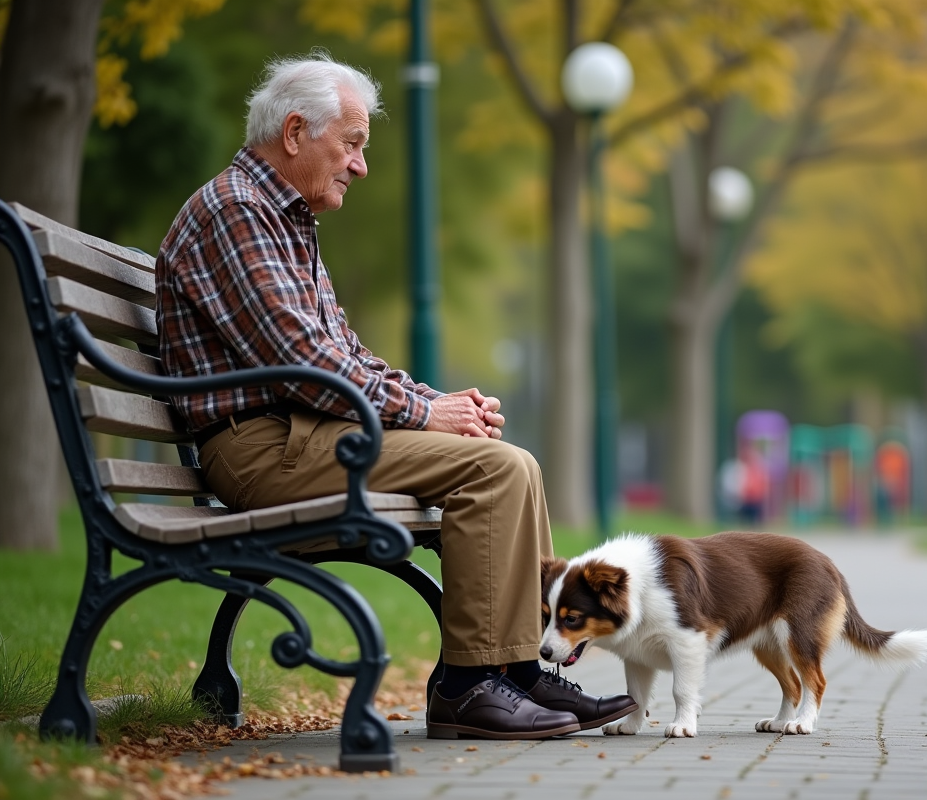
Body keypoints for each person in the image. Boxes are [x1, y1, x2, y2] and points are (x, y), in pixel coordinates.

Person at [155, 50, 634, 740]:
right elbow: (301, 361)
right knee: (492, 470)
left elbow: (344, 354)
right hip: (262, 449)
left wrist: (440, 405)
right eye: (351, 143)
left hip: (301, 432)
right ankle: (471, 687)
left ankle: (517, 669)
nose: (360, 163)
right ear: (295, 133)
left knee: (513, 463)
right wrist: (426, 414)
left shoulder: (280, 219)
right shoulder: (237, 211)